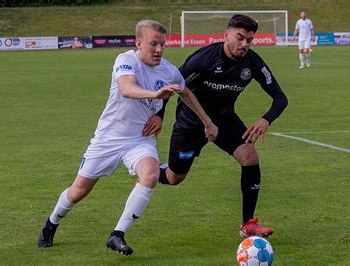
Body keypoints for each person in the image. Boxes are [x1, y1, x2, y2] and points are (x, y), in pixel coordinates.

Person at [37, 19, 218, 255]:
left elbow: (186, 93)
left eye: (163, 44)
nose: (160, 50)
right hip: (108, 139)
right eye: (154, 44)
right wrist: (155, 94)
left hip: (139, 139)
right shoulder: (125, 60)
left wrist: (207, 121)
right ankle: (52, 223)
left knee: (151, 174)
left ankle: (117, 234)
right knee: (78, 191)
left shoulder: (169, 70)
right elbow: (127, 88)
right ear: (138, 43)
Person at [156, 14, 288, 238]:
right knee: (174, 177)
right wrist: (158, 116)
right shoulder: (203, 59)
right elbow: (172, 86)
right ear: (226, 35)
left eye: (249, 40)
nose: (244, 44)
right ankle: (149, 170)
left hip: (225, 119)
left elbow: (280, 98)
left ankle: (248, 224)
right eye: (240, 38)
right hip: (191, 122)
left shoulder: (253, 62)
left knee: (250, 157)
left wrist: (265, 119)